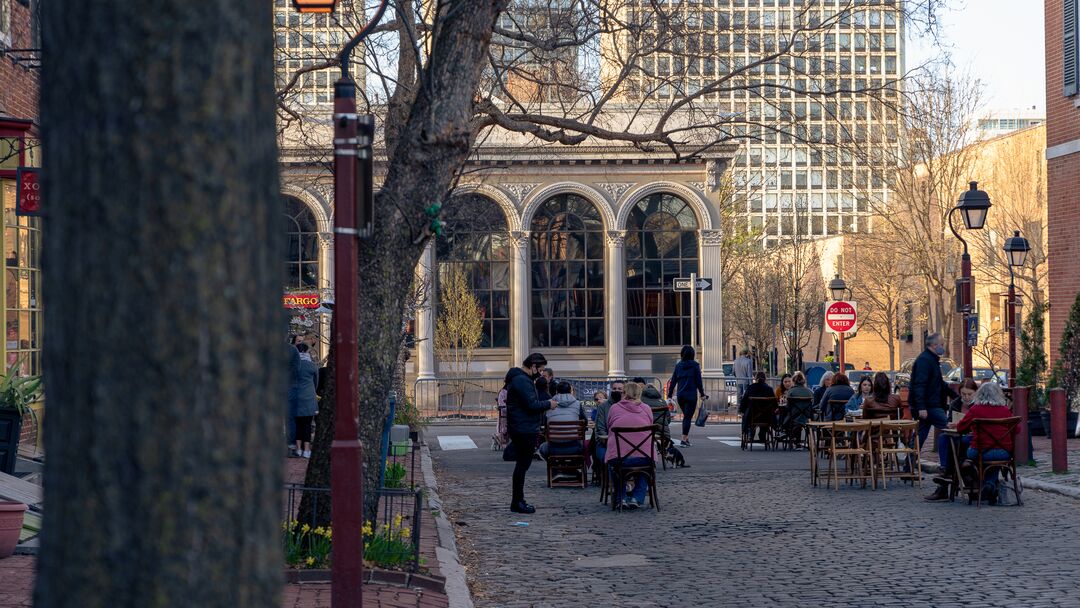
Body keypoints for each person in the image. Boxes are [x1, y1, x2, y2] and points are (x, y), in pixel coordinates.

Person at [926, 382, 1018, 504]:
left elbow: (960, 428)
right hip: (1004, 453)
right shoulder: (1005, 410)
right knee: (993, 458)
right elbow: (1017, 429)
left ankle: (959, 474)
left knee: (964, 450)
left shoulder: (976, 409)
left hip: (980, 451)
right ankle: (989, 484)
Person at [504, 353, 558, 514]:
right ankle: (517, 501)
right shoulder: (522, 380)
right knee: (522, 465)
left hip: (522, 426)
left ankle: (518, 500)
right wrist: (549, 404)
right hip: (523, 428)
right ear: (533, 366)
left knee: (522, 465)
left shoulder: (521, 379)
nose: (541, 374)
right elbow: (531, 404)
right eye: (540, 370)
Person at [605, 382, 656, 510]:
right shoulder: (646, 408)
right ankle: (637, 498)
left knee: (615, 467)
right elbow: (650, 423)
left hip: (619, 458)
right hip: (645, 456)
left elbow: (609, 426)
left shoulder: (614, 408)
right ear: (639, 394)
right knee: (647, 467)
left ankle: (620, 498)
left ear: (624, 394)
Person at [910, 332, 958, 449]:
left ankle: (910, 463)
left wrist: (955, 396)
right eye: (942, 344)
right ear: (934, 345)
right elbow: (919, 384)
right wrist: (921, 407)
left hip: (928, 405)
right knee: (949, 428)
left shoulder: (929, 360)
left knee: (920, 434)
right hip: (930, 405)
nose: (943, 347)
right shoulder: (925, 361)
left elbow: (939, 384)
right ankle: (952, 461)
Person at [667, 345, 708, 448]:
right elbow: (699, 382)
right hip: (691, 395)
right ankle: (684, 440)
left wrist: (669, 394)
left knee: (686, 417)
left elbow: (673, 381)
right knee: (687, 418)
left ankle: (686, 438)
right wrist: (702, 394)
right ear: (692, 354)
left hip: (680, 395)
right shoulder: (695, 365)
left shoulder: (678, 366)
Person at [539, 381, 586, 459]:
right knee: (585, 445)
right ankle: (572, 467)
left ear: (556, 392)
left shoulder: (549, 404)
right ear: (571, 391)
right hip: (574, 447)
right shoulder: (578, 404)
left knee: (542, 448)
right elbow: (585, 422)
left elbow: (544, 424)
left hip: (553, 448)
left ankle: (556, 467)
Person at [290, 343, 319, 458]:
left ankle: (298, 449)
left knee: (297, 424)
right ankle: (306, 450)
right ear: (307, 351)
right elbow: (316, 383)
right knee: (307, 424)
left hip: (295, 398)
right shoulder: (312, 366)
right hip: (308, 398)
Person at [739, 371, 776, 439]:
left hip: (751, 416)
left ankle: (750, 430)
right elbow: (775, 404)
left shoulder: (750, 388)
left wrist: (742, 411)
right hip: (766, 417)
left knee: (746, 414)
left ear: (755, 379)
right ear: (765, 379)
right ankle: (763, 431)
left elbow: (743, 402)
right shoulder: (769, 389)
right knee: (767, 413)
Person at [638, 377, 671, 447]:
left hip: (645, 432)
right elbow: (668, 419)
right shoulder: (663, 402)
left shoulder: (640, 402)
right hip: (663, 433)